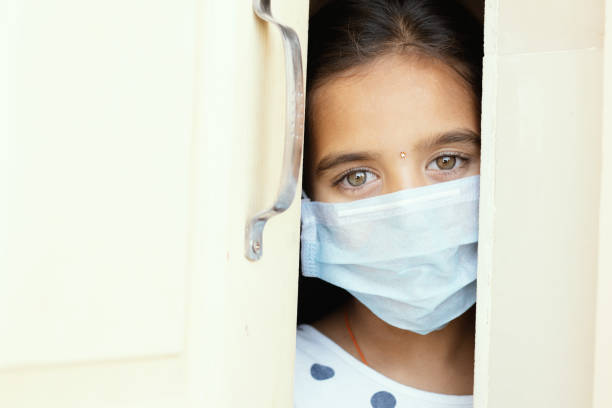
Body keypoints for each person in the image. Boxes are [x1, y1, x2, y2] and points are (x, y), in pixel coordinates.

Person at [294, 1, 483, 407]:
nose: (411, 216)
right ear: (306, 198)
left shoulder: (574, 368)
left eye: (446, 161)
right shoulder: (272, 382)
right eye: (357, 177)